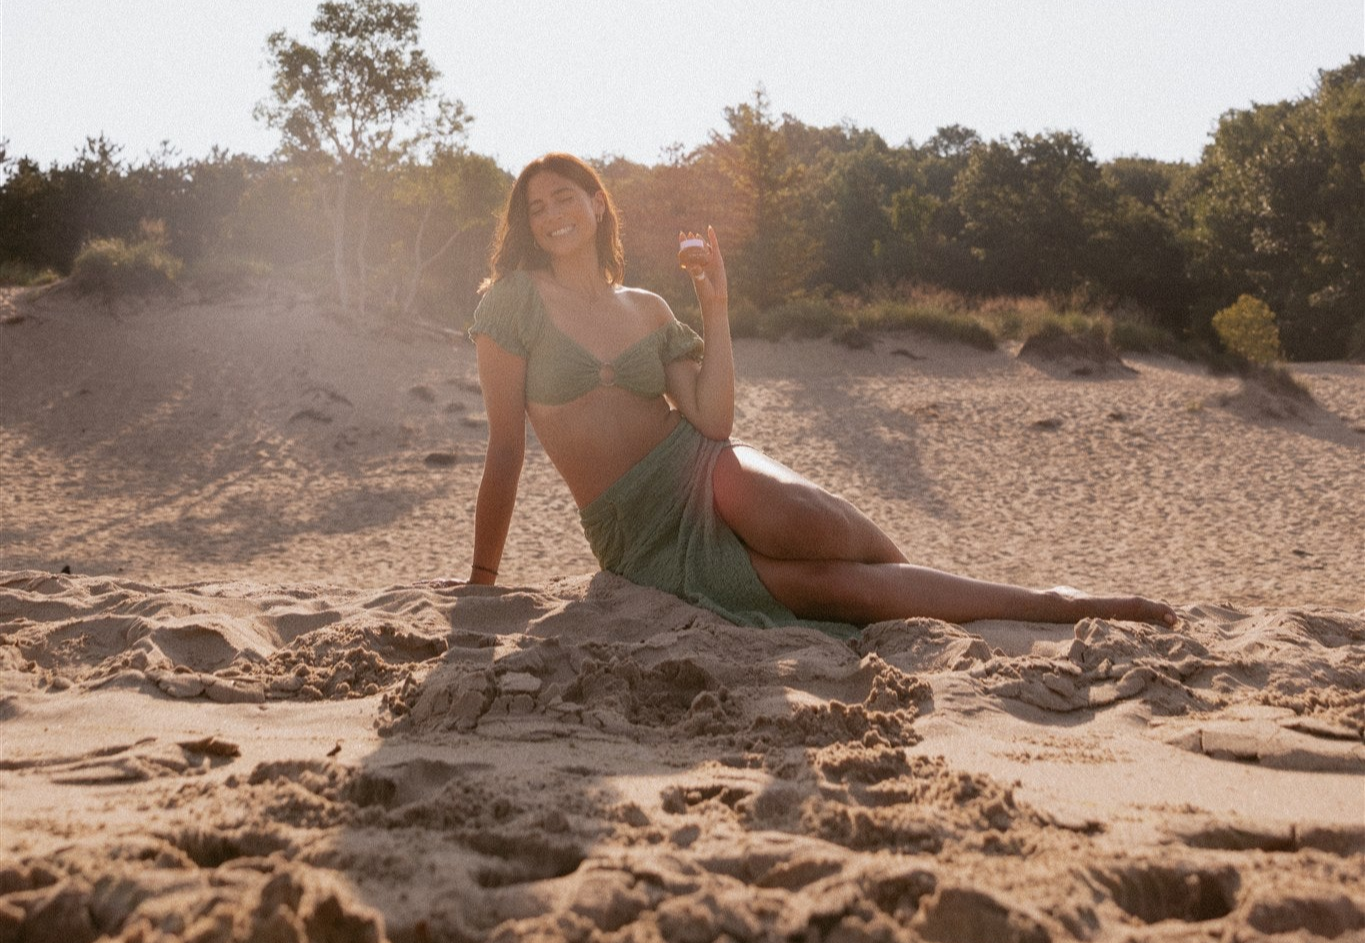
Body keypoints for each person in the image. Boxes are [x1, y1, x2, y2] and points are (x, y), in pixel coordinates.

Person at [467, 152, 1176, 635]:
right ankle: (1054, 606)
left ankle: (1023, 598)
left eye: (564, 197)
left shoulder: (649, 308)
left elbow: (710, 419)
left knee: (810, 524)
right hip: (638, 531)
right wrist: (482, 579)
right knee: (845, 591)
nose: (551, 214)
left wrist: (715, 306)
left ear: (597, 205)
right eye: (535, 207)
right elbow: (505, 449)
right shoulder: (512, 304)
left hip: (699, 467)